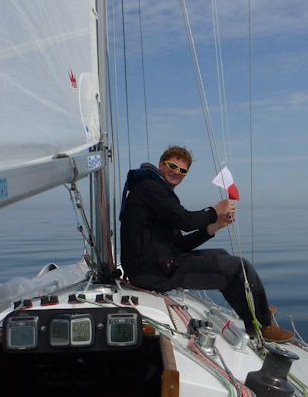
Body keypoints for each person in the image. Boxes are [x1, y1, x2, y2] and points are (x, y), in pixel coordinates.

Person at [120, 146, 294, 343]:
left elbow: (180, 244)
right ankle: (263, 325)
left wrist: (214, 226)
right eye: (172, 166)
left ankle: (253, 311)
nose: (177, 172)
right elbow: (185, 221)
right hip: (153, 273)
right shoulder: (150, 189)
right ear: (161, 164)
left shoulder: (158, 194)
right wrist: (214, 210)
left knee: (222, 255)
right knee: (238, 267)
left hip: (158, 264)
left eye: (182, 170)